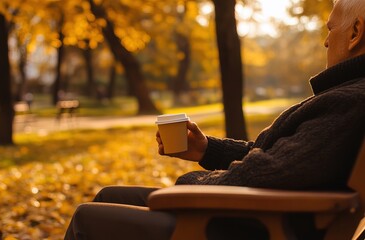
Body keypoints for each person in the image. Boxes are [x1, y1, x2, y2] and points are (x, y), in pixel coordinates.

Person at [64, 0, 365, 239]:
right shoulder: (346, 97)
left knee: (85, 219)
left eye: (330, 29)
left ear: (355, 33)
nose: (326, 41)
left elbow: (270, 171)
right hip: (249, 218)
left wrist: (192, 184)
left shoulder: (350, 101)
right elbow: (280, 159)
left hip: (243, 226)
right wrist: (207, 149)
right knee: (108, 196)